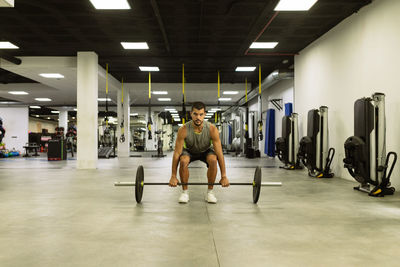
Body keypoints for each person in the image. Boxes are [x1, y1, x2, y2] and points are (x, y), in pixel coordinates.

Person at [169, 102, 230, 203]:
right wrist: (173, 176)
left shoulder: (212, 129)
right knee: (183, 161)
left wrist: (224, 176)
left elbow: (219, 153)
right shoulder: (183, 129)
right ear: (191, 114)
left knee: (213, 160)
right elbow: (176, 153)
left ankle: (210, 193)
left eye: (201, 114)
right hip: (189, 151)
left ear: (204, 114)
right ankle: (185, 193)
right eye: (195, 114)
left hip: (206, 150)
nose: (198, 117)